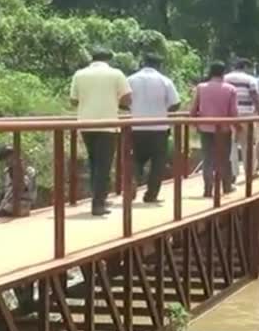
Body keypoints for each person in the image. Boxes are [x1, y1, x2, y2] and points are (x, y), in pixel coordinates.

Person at [70, 48, 132, 216]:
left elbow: (74, 100)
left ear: (92, 59)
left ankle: (98, 198)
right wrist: (115, 102)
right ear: (108, 59)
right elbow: (128, 98)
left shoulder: (79, 74)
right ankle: (98, 204)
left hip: (86, 124)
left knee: (94, 162)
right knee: (103, 166)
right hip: (107, 124)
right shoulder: (116, 74)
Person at [128, 53, 181, 203]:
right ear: (159, 65)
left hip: (136, 127)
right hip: (159, 128)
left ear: (143, 63)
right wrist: (163, 110)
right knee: (158, 162)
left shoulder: (131, 79)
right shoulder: (165, 81)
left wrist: (134, 108)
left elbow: (122, 100)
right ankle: (151, 195)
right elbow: (176, 103)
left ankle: (134, 179)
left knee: (137, 159)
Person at [190, 62, 238, 197]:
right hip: (223, 128)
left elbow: (193, 109)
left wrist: (194, 123)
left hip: (205, 128)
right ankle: (226, 186)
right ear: (223, 72)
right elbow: (233, 112)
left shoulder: (201, 87)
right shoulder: (230, 89)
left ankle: (208, 188)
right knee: (224, 158)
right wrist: (238, 127)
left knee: (207, 158)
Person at [225, 59, 259, 181]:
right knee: (247, 144)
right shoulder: (250, 79)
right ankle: (250, 172)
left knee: (231, 144)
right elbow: (255, 98)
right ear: (245, 67)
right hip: (246, 115)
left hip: (229, 116)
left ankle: (232, 172)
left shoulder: (225, 78)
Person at [0, 146, 37, 220]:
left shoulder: (22, 170)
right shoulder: (10, 171)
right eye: (5, 159)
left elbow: (23, 187)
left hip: (18, 205)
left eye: (7, 158)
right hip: (19, 205)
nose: (6, 161)